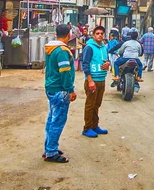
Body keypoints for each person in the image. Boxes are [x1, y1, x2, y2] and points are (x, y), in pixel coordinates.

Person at [44, 23, 77, 163]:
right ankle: (51, 152)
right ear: (68, 35)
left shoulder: (51, 48)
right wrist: (70, 90)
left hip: (51, 87)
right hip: (60, 89)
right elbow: (65, 72)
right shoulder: (62, 51)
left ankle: (49, 147)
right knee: (57, 120)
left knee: (52, 119)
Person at [81, 25, 110, 138]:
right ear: (93, 35)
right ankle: (87, 128)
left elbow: (106, 61)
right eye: (97, 33)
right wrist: (90, 81)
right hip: (92, 80)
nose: (99, 35)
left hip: (101, 80)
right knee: (90, 105)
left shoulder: (104, 47)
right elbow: (85, 64)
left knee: (97, 105)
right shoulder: (89, 47)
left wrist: (108, 64)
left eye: (101, 34)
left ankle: (95, 126)